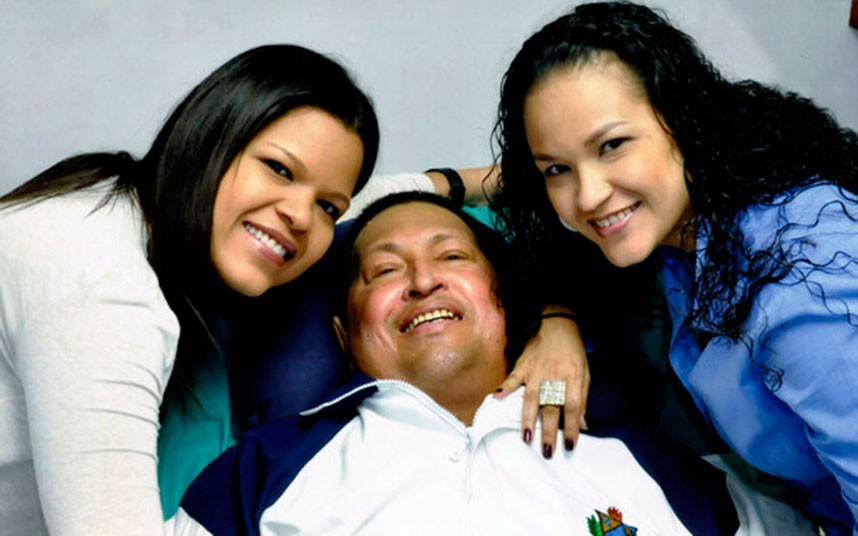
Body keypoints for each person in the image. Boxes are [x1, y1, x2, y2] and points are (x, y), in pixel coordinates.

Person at [167, 191, 780, 535]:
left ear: (508, 300)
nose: (422, 281)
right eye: (383, 270)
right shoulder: (264, 472)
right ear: (343, 334)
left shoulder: (648, 463)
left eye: (452, 256)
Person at [491, 2, 858, 532]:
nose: (589, 196)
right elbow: (523, 192)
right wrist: (556, 319)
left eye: (612, 146)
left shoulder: (805, 287)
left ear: (682, 120)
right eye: (557, 169)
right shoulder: (691, 220)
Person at [0, 44, 379, 535]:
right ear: (208, 138)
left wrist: (460, 182)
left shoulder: (103, 197)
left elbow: (355, 195)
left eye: (328, 207)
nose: (302, 216)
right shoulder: (108, 293)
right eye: (280, 170)